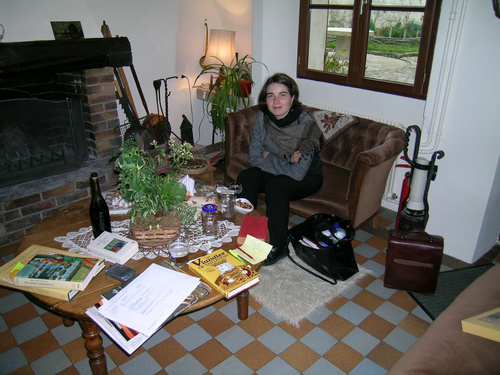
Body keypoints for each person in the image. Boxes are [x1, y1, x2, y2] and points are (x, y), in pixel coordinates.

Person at [237, 73, 323, 266]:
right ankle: (250, 234)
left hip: (308, 177)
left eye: (282, 95)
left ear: (292, 99)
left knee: (276, 187)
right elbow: (254, 157)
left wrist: (269, 156)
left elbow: (298, 172)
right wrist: (281, 160)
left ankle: (279, 245)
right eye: (270, 95)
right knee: (246, 177)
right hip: (281, 171)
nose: (276, 101)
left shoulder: (306, 128)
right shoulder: (262, 119)